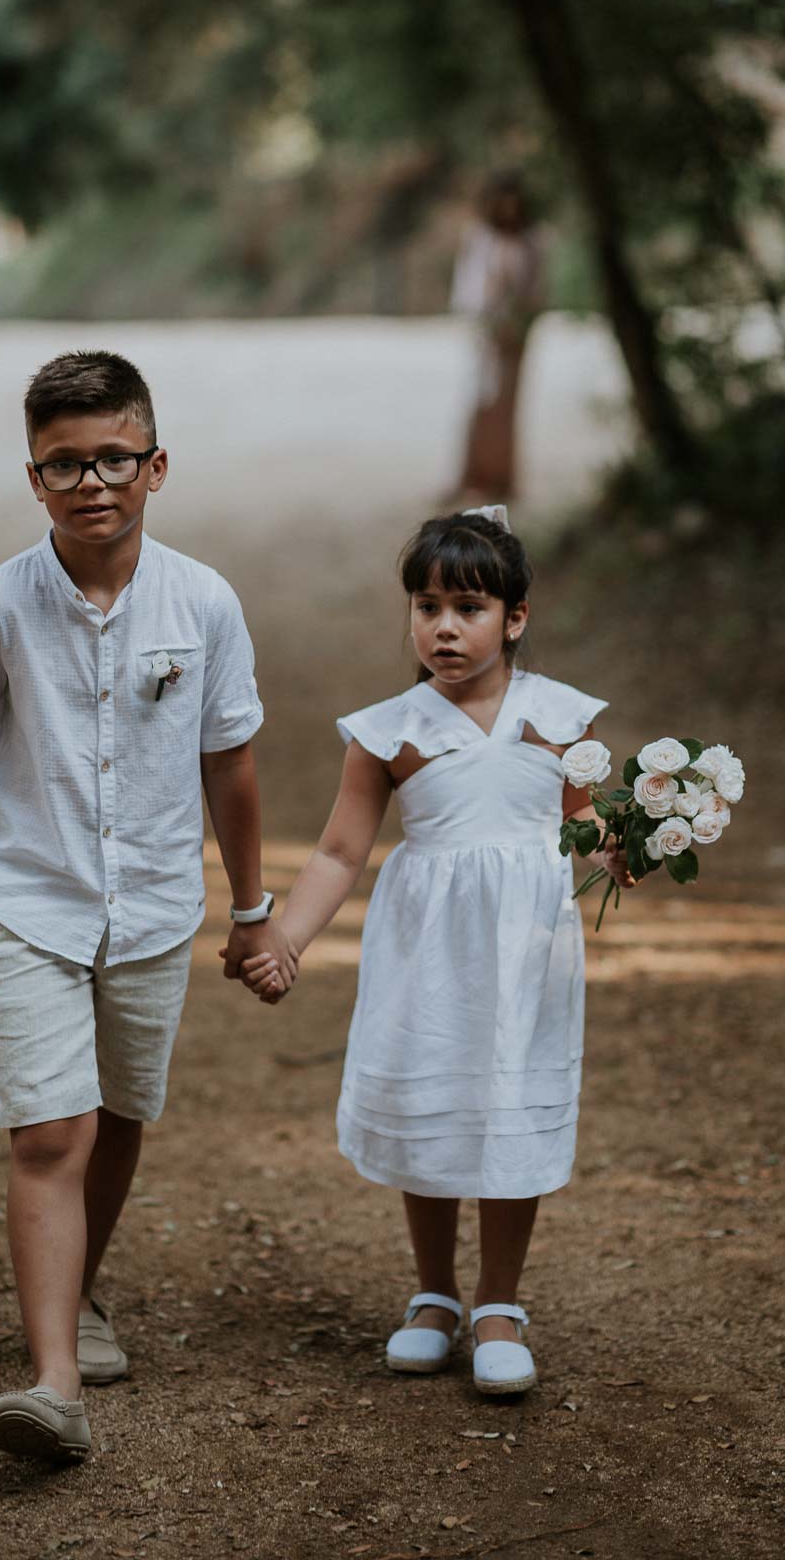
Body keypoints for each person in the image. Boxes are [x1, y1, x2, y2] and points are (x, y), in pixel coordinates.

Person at [0, 350, 294, 1463]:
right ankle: (54, 1383)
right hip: (32, 894)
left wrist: (253, 905)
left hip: (158, 902)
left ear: (155, 464)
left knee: (119, 1111)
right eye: (63, 463)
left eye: (112, 457)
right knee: (50, 1129)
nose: (90, 481)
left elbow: (233, 762)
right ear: (33, 478)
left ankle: (79, 1293)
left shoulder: (204, 600)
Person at [234, 506, 631, 1396]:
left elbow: (583, 824)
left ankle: (498, 1302)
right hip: (429, 948)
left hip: (524, 949)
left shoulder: (561, 721)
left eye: (468, 609)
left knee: (505, 1099)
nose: (443, 628)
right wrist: (287, 943)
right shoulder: (389, 731)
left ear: (514, 618)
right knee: (436, 1097)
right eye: (425, 607)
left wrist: (625, 847)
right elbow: (340, 851)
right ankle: (433, 1294)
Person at [450, 175, 545, 503]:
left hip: (515, 334)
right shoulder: (480, 237)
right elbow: (468, 287)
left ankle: (503, 479)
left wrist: (519, 321)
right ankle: (472, 475)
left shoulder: (532, 240)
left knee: (507, 406)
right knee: (480, 401)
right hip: (486, 332)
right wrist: (484, 320)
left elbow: (537, 290)